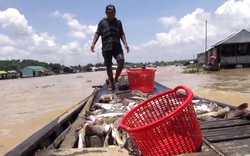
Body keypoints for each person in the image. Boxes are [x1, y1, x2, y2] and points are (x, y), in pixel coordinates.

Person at [90, 4, 130, 91]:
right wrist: (93, 43)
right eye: (109, 13)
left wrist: (125, 44)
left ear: (115, 13)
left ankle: (116, 79)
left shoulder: (118, 22)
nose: (111, 14)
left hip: (117, 47)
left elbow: (122, 33)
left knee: (121, 61)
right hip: (106, 48)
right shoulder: (102, 23)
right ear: (106, 13)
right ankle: (112, 83)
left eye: (113, 12)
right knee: (108, 66)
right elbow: (97, 33)